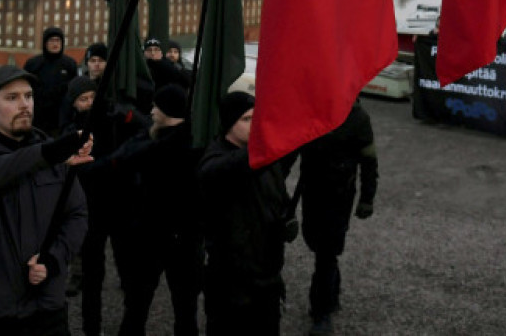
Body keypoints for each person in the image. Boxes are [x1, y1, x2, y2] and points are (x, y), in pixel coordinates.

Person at [0, 66, 91, 335]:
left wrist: (53, 259)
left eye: (29, 96)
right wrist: (44, 155)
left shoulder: (51, 151)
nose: (24, 105)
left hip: (44, 312)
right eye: (12, 98)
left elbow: (77, 213)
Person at [198, 92, 295, 336]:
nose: (255, 124)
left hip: (268, 276)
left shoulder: (267, 158)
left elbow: (278, 197)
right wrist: (265, 147)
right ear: (229, 123)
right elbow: (225, 170)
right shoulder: (216, 159)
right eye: (247, 119)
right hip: (230, 282)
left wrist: (286, 219)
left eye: (257, 118)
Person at [110, 84, 203, 336]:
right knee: (140, 307)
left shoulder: (185, 147)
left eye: (156, 106)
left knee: (181, 308)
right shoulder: (155, 137)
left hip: (177, 239)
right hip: (152, 236)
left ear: (167, 110)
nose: (151, 110)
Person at [300, 100, 378, 335]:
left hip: (338, 197)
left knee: (325, 253)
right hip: (312, 192)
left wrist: (367, 198)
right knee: (315, 243)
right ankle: (332, 289)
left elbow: (369, 161)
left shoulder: (358, 118)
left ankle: (321, 312)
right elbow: (294, 149)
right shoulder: (313, 110)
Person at [24, 26, 80, 135]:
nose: (55, 44)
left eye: (58, 40)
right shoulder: (33, 64)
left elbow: (75, 92)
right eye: (51, 40)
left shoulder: (70, 64)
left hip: (61, 119)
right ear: (45, 43)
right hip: (37, 119)